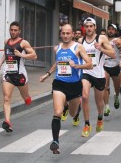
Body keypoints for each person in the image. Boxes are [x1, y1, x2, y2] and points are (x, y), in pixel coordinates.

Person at [39, 24, 92, 154]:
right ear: (60, 34)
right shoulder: (57, 48)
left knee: (73, 114)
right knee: (57, 112)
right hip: (59, 83)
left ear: (73, 34)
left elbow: (90, 64)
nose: (65, 36)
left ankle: (75, 107)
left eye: (68, 33)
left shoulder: (78, 47)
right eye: (63, 33)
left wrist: (77, 66)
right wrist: (48, 74)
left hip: (74, 85)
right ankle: (55, 141)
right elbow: (57, 63)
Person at [0, 21, 37, 133]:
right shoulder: (6, 41)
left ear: (19, 31)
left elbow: (34, 55)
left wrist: (21, 55)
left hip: (20, 75)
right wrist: (0, 62)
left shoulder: (23, 43)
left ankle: (27, 98)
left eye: (15, 30)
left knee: (25, 97)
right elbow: (6, 53)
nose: (13, 32)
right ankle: (8, 122)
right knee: (6, 98)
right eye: (11, 30)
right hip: (8, 73)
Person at [78, 17, 115, 137]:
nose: (89, 28)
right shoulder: (80, 40)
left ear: (95, 27)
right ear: (84, 28)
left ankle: (100, 118)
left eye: (91, 26)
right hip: (86, 72)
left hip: (98, 74)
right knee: (84, 96)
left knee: (99, 101)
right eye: (86, 26)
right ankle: (87, 124)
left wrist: (101, 48)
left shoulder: (101, 38)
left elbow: (113, 54)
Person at [103, 24, 121, 116]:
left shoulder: (118, 40)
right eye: (109, 29)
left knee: (117, 87)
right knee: (105, 86)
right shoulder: (102, 40)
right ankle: (107, 107)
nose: (110, 31)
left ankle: (117, 96)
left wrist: (119, 47)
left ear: (116, 31)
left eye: (112, 29)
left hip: (115, 66)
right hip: (104, 66)